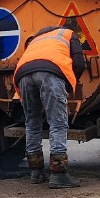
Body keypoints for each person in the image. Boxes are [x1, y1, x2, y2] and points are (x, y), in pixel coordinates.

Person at [12, 24, 86, 188]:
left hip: (22, 74)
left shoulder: (37, 38)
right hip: (51, 72)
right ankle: (59, 174)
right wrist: (66, 86)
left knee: (32, 123)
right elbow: (80, 64)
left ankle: (36, 173)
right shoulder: (68, 34)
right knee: (58, 123)